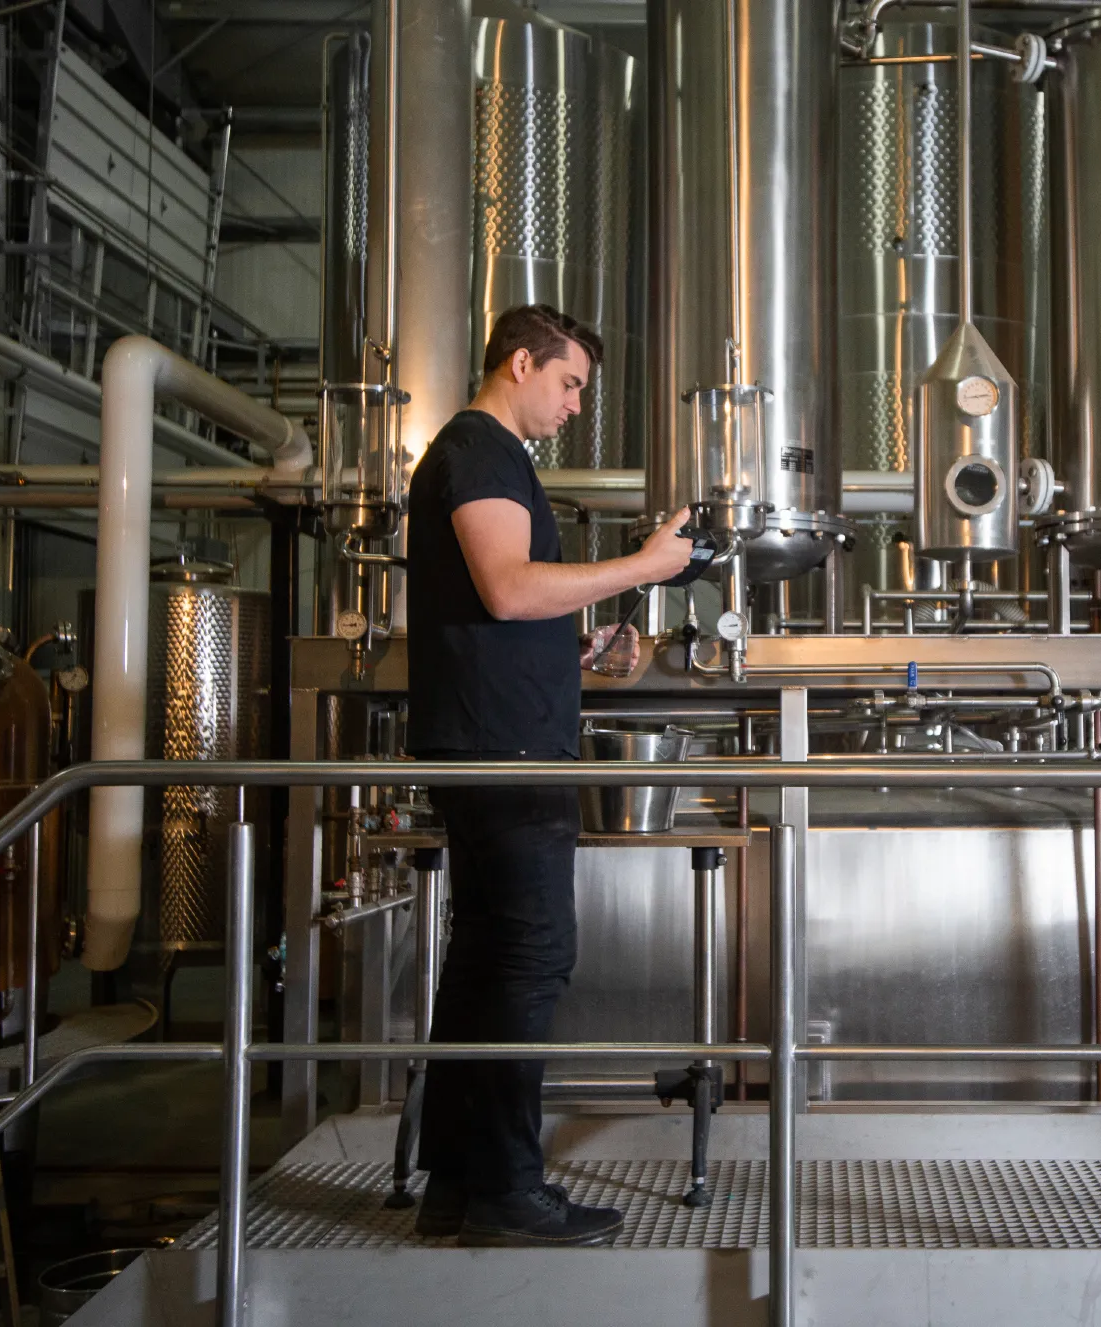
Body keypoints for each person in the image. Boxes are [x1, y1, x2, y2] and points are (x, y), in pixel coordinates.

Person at [406, 303, 694, 1246]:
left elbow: (502, 613)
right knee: (529, 956)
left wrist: (574, 657)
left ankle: (457, 1181)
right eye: (569, 383)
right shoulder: (479, 450)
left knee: (486, 957)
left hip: (501, 734)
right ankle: (507, 1191)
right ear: (520, 363)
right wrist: (643, 566)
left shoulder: (491, 457)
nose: (575, 404)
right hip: (503, 753)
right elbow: (506, 584)